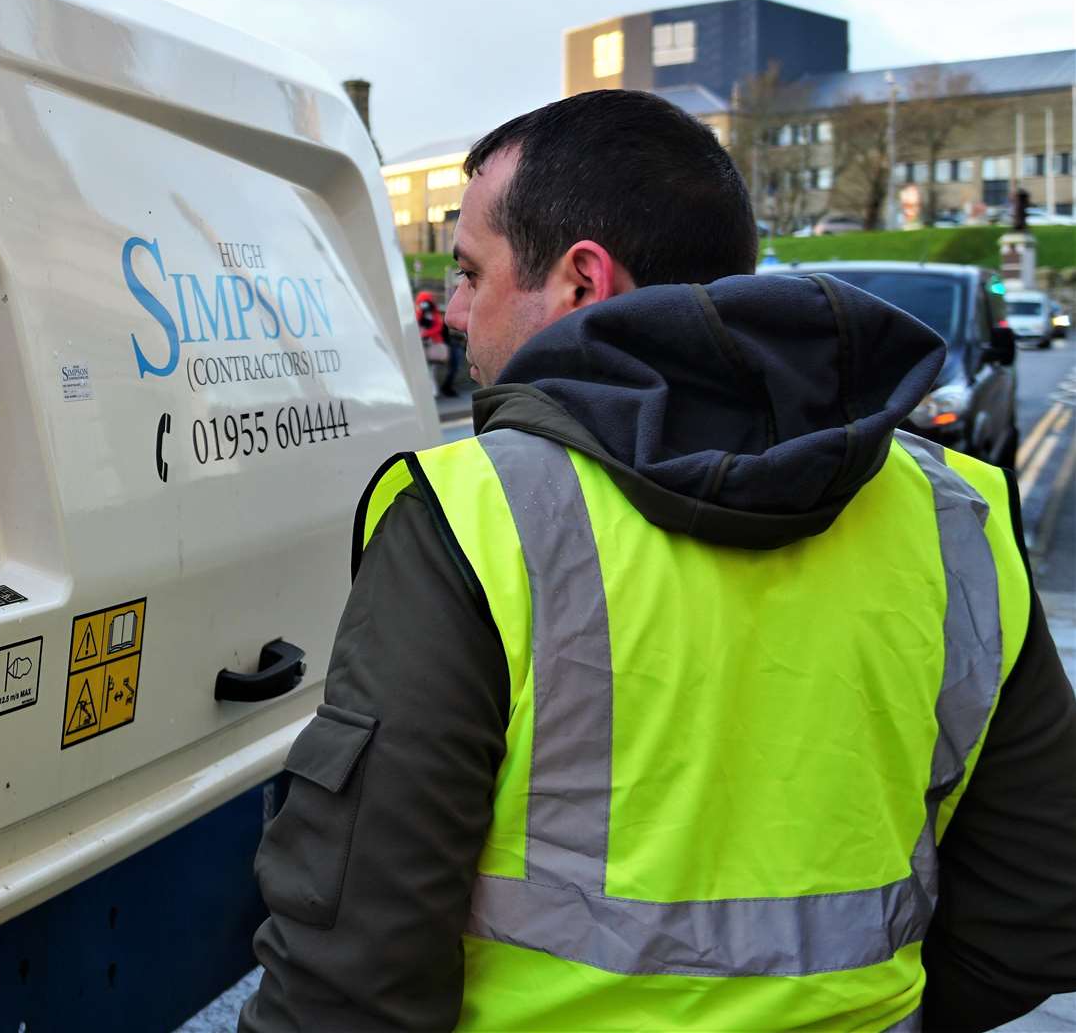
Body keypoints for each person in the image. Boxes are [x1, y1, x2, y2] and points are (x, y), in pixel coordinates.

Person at [240, 90, 1076, 1031]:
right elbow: (1032, 911)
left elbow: (351, 969)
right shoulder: (954, 515)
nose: (457, 308)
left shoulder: (477, 515)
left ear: (582, 282)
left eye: (472, 272)